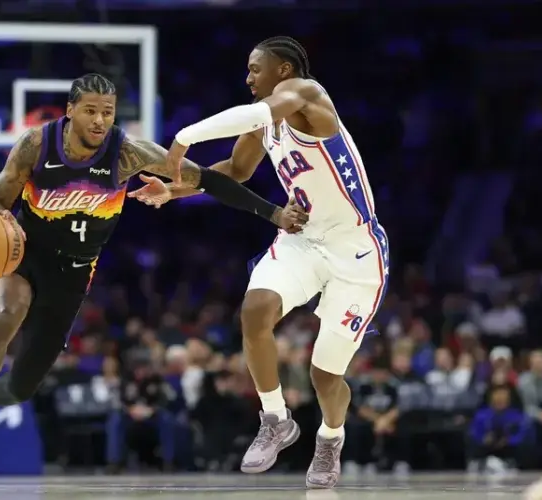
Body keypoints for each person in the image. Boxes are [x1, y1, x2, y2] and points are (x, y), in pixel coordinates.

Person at [0, 73, 309, 478]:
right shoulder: (36, 144)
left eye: (108, 112)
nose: (99, 120)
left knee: (21, 387)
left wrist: (273, 213)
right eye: (90, 111)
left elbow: (209, 179)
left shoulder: (129, 153)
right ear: (70, 111)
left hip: (73, 274)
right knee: (7, 316)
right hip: (25, 255)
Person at [130, 37, 390, 488]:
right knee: (254, 311)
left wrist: (184, 137)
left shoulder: (307, 94)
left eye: (255, 68)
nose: (248, 77)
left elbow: (257, 114)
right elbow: (234, 170)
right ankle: (275, 419)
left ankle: (330, 438)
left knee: (324, 375)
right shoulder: (261, 121)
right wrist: (173, 190)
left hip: (356, 250)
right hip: (302, 238)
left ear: (283, 70)